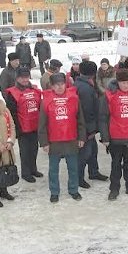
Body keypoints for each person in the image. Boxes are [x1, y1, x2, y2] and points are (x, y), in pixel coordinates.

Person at [99, 68, 128, 200]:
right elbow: (103, 118)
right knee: (115, 165)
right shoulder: (109, 96)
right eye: (123, 83)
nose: (126, 85)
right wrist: (105, 137)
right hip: (115, 138)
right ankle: (114, 188)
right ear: (117, 82)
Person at [38, 73, 86, 203]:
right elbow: (42, 123)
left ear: (66, 84)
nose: (59, 87)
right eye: (56, 85)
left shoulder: (74, 98)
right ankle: (54, 191)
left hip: (71, 139)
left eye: (62, 84)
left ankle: (73, 190)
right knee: (53, 169)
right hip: (54, 141)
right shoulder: (46, 101)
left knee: (73, 168)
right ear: (52, 86)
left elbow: (80, 119)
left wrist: (82, 137)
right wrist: (44, 142)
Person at [73, 60, 108, 189]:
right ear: (93, 73)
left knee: (93, 150)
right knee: (84, 153)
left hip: (87, 126)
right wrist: (91, 129)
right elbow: (87, 111)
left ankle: (94, 172)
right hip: (87, 127)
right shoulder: (86, 88)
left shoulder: (81, 83)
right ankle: (79, 178)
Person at [6, 67, 43, 183]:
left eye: (27, 77)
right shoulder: (12, 93)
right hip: (22, 127)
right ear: (17, 78)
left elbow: (40, 106)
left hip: (35, 124)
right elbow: (12, 112)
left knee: (34, 148)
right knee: (25, 150)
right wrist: (17, 128)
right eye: (22, 77)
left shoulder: (35, 90)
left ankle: (33, 169)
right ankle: (26, 172)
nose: (25, 80)